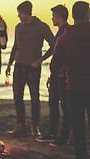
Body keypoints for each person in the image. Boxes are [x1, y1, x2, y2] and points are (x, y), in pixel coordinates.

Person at [50, 1, 90, 159]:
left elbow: (54, 66)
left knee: (79, 134)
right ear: (88, 15)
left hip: (75, 89)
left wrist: (68, 63)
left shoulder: (64, 39)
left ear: (73, 16)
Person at [6, 1, 54, 138]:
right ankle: (20, 126)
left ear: (26, 12)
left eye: (20, 13)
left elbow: (54, 45)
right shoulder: (18, 27)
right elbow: (15, 46)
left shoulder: (42, 27)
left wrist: (41, 59)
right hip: (18, 66)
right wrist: (9, 63)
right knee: (17, 98)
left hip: (33, 68)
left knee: (34, 98)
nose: (18, 15)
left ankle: (35, 126)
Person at [37, 5, 70, 147]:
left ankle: (64, 137)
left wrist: (62, 73)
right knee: (53, 104)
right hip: (56, 75)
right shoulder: (59, 33)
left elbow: (67, 55)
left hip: (63, 76)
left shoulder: (66, 32)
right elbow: (55, 54)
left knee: (65, 106)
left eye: (53, 16)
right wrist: (52, 75)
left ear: (58, 16)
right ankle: (52, 134)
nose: (52, 18)